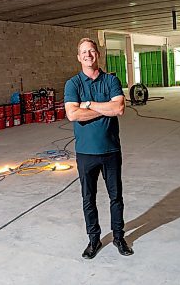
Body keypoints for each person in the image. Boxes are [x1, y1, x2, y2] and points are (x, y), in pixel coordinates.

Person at [64, 38, 134, 259]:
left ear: (98, 54)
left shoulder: (111, 80)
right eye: (84, 52)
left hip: (111, 150)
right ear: (78, 57)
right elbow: (72, 114)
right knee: (89, 198)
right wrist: (106, 108)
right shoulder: (73, 84)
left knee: (116, 197)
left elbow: (120, 108)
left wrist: (88, 104)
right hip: (85, 153)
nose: (88, 55)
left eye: (92, 51)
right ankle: (93, 240)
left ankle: (119, 237)